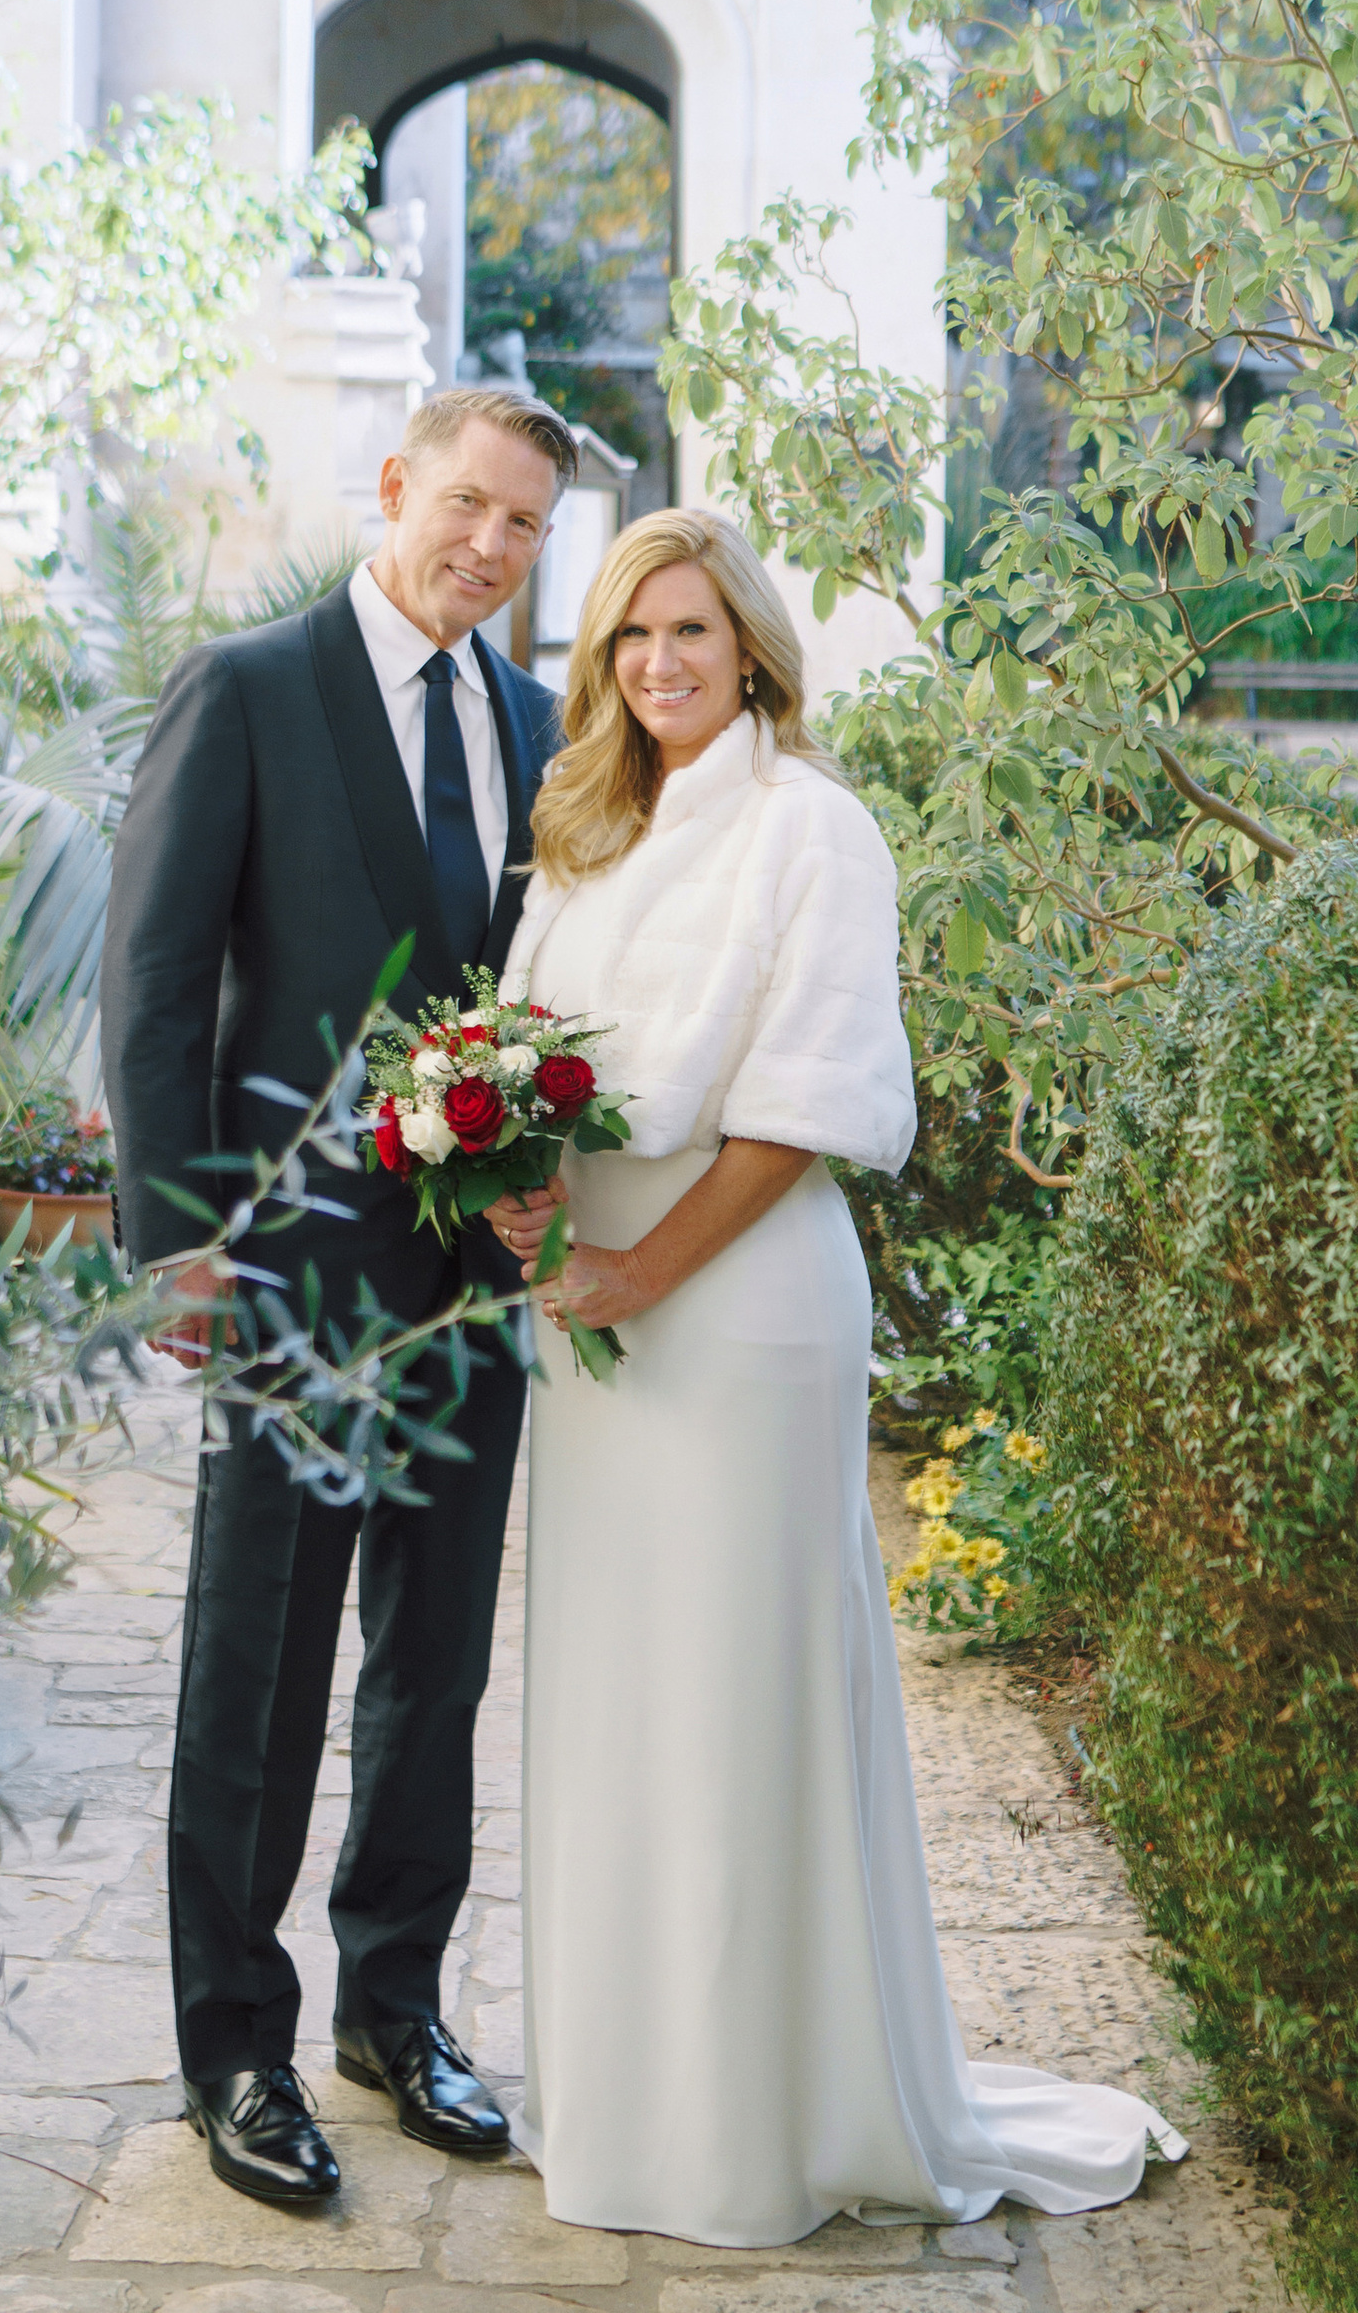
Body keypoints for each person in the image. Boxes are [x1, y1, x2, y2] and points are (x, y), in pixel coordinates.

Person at [487, 506, 1185, 2248]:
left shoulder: (817, 829)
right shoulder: (580, 825)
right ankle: (628, 2102)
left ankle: (758, 2120)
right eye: (633, 637)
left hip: (733, 1310)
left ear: (754, 654)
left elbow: (807, 1105)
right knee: (614, 1695)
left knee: (740, 1692)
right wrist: (508, 1188)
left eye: (694, 637)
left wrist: (638, 1267)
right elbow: (509, 1051)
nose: (661, 665)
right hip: (587, 1319)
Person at [99, 386, 574, 2214]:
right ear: (395, 488)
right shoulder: (249, 687)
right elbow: (152, 980)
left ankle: (395, 2006)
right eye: (467, 505)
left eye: (525, 526)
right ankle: (237, 2046)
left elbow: (536, 1000)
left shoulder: (537, 723)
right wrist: (175, 1238)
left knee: (433, 1665)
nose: (489, 547)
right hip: (286, 1285)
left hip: (469, 1288)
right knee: (260, 1668)